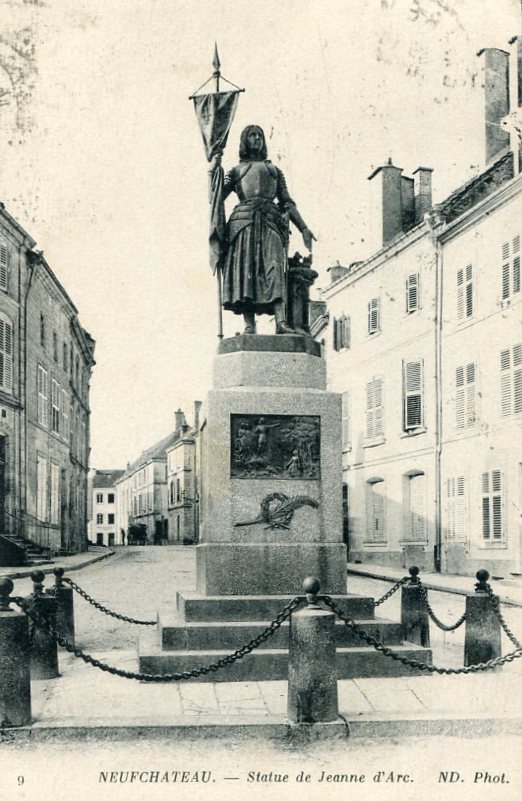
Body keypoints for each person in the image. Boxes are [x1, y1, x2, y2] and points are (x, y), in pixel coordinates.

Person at [211, 124, 316, 334]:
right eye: (252, 136)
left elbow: (287, 202)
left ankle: (281, 322)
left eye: (260, 135)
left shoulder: (274, 171)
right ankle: (249, 325)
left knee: (274, 269)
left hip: (271, 222)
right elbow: (215, 198)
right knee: (246, 271)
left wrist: (303, 227)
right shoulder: (236, 170)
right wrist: (214, 170)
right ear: (245, 140)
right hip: (244, 224)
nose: (257, 139)